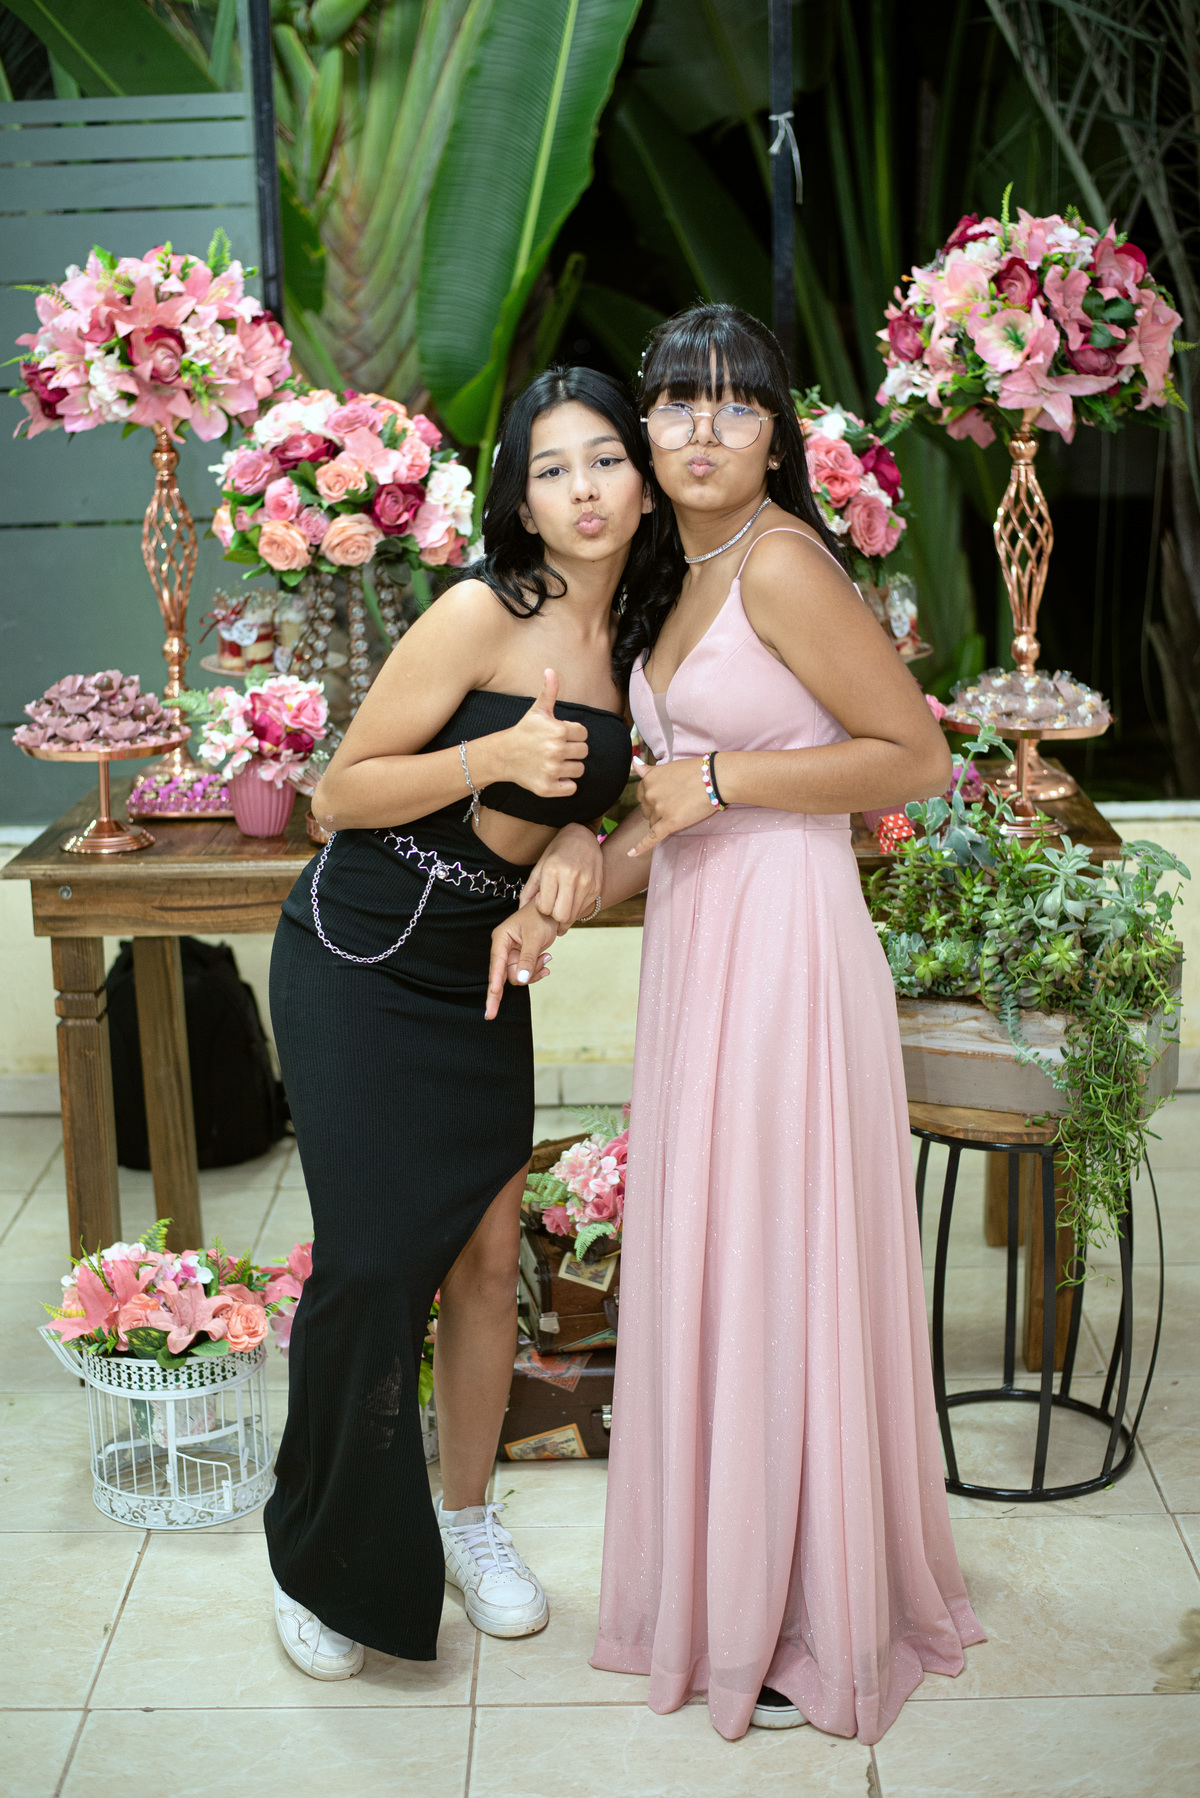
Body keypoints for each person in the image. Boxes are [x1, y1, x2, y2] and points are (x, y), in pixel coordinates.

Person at [490, 305, 985, 1742]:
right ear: (646, 428)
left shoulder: (779, 562)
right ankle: (737, 1587)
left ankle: (809, 1603)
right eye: (677, 403)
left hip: (786, 939)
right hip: (704, 937)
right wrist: (559, 893)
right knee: (719, 1249)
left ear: (777, 437)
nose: (702, 429)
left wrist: (723, 783)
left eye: (738, 405)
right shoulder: (678, 575)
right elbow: (665, 805)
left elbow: (917, 757)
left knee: (781, 1246)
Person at [264, 366, 654, 1680]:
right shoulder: (484, 611)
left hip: (480, 970)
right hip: (359, 953)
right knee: (373, 1263)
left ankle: (468, 1516)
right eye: (552, 468)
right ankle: (316, 1554)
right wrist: (492, 758)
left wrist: (588, 837)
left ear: (643, 478)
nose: (583, 489)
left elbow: (647, 792)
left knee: (488, 1264)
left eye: (605, 458)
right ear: (521, 502)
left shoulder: (651, 640)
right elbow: (339, 793)